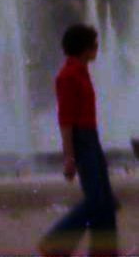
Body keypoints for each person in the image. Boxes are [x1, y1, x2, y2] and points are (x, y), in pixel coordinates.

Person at [37, 23, 119, 257]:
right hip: (82, 140)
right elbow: (65, 121)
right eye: (94, 43)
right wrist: (69, 157)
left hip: (91, 137)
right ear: (83, 47)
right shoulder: (68, 75)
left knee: (105, 199)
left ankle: (105, 251)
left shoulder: (81, 71)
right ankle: (55, 241)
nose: (97, 47)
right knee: (96, 200)